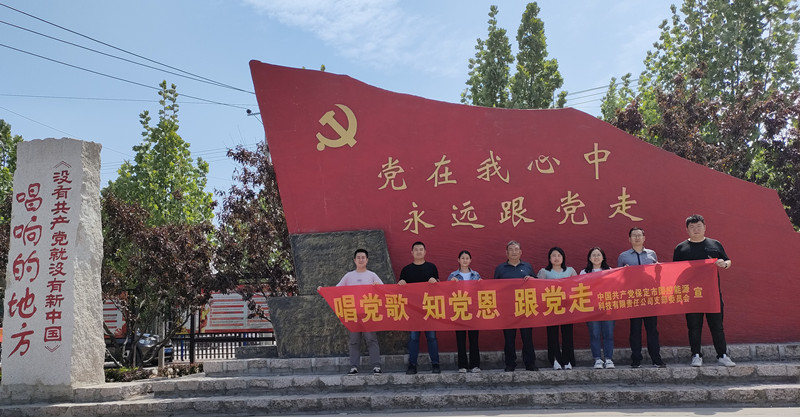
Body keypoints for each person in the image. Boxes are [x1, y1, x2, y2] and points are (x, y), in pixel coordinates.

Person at [673, 214, 736, 367]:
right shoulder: (681, 248)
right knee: (694, 326)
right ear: (687, 229)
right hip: (692, 295)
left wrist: (724, 264)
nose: (696, 229)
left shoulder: (714, 244)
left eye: (698, 226)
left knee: (717, 326)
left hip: (712, 293)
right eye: (692, 227)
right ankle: (696, 355)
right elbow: (674, 270)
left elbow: (728, 260)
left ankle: (722, 355)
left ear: (704, 227)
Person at [617, 227, 667, 369]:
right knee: (635, 329)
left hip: (649, 296)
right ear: (629, 239)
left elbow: (657, 276)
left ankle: (656, 359)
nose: (637, 238)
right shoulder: (623, 256)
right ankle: (636, 359)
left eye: (639, 235)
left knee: (652, 330)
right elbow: (618, 278)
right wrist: (624, 272)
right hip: (633, 297)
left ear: (644, 238)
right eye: (634, 235)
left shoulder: (652, 254)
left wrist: (658, 270)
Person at [333, 248, 384, 375]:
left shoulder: (372, 275)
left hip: (369, 313)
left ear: (367, 260)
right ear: (354, 260)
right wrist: (323, 290)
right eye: (358, 257)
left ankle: (376, 366)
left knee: (371, 340)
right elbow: (336, 290)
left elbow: (384, 290)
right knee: (354, 341)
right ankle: (353, 366)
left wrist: (377, 287)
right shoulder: (349, 276)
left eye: (363, 257)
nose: (361, 260)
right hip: (353, 314)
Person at [493, 240, 538, 372]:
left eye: (516, 249)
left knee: (527, 337)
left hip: (525, 307)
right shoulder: (500, 268)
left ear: (520, 252)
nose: (514, 252)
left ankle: (530, 363)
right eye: (511, 250)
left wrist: (532, 280)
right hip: (507, 310)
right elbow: (494, 288)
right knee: (509, 338)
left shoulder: (527, 267)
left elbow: (537, 284)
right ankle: (510, 364)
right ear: (506, 253)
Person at [398, 241, 441, 374]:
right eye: (416, 250)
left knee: (432, 337)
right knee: (413, 338)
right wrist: (401, 283)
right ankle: (412, 365)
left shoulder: (432, 267)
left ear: (425, 252)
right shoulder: (406, 270)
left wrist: (435, 282)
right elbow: (401, 291)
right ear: (412, 252)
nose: (418, 252)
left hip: (429, 308)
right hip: (413, 310)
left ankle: (435, 364)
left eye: (421, 249)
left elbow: (439, 288)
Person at [537, 247, 577, 370]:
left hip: (567, 307)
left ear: (563, 258)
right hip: (551, 308)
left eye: (559, 255)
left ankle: (567, 359)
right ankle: (555, 359)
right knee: (552, 335)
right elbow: (537, 288)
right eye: (553, 255)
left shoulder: (570, 271)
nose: (556, 258)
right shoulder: (544, 272)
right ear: (549, 258)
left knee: (567, 334)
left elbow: (577, 286)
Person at [447, 250, 482, 373]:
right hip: (459, 309)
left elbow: (482, 291)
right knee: (460, 339)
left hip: (473, 310)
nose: (465, 260)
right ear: (458, 260)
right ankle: (462, 365)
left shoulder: (476, 275)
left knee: (474, 339)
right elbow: (447, 293)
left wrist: (481, 284)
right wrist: (450, 284)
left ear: (470, 260)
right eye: (463, 258)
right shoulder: (453, 275)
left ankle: (475, 365)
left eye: (467, 258)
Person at [581, 247, 615, 369]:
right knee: (594, 334)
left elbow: (615, 286)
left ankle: (608, 359)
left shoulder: (610, 271)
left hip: (607, 308)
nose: (596, 257)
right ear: (589, 258)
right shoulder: (584, 272)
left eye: (598, 255)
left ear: (603, 257)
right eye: (593, 255)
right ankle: (597, 359)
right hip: (591, 308)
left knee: (608, 333)